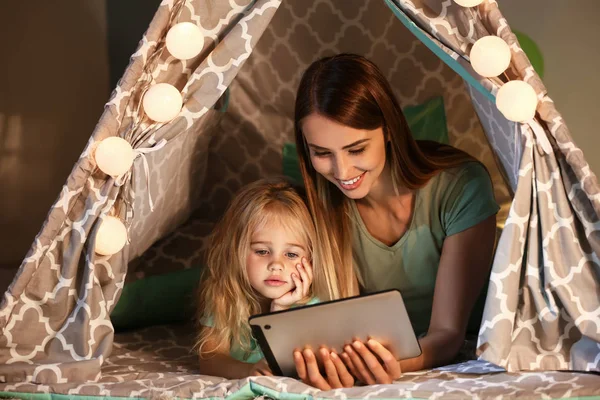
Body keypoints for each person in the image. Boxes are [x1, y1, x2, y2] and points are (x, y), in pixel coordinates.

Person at [292, 54, 499, 389]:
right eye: (322, 153)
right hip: (375, 349)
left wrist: (393, 366)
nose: (342, 173)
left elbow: (447, 336)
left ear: (388, 130)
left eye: (356, 149)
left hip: (456, 342)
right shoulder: (317, 208)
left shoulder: (461, 186)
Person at [195, 178, 337, 378]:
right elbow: (210, 360)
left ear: (311, 260)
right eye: (262, 251)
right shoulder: (224, 294)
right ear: (236, 251)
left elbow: (288, 370)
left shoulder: (314, 306)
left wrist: (280, 310)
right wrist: (248, 371)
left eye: (291, 254)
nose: (276, 265)